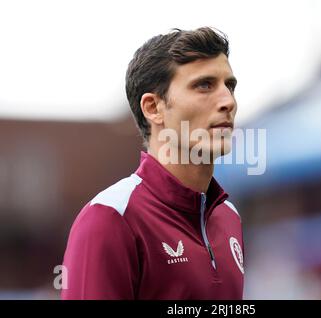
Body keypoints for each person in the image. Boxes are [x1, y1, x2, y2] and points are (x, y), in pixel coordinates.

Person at [61, 27, 244, 300]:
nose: (228, 101)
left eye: (229, 86)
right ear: (153, 108)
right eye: (204, 85)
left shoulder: (229, 216)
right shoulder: (110, 218)